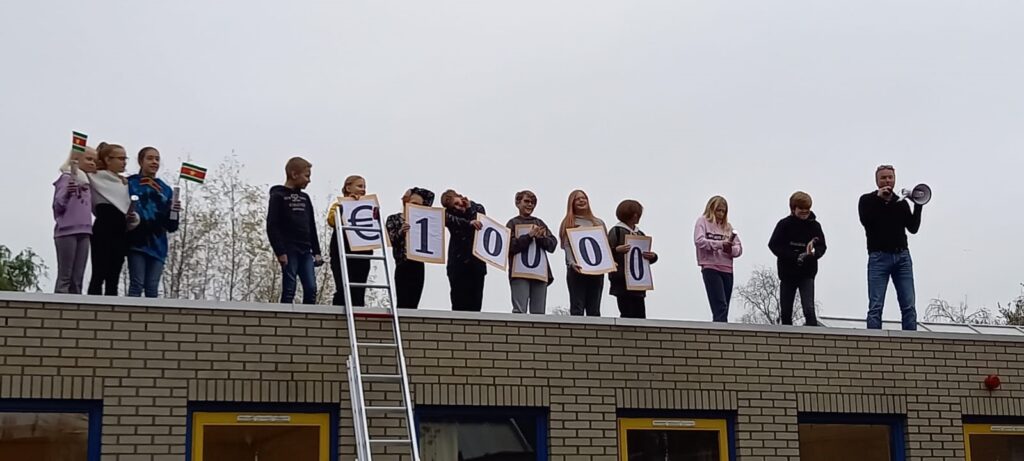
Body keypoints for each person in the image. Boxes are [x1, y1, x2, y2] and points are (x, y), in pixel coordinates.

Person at [858, 164, 923, 330]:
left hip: (902, 257)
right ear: (877, 180)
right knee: (876, 305)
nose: (887, 180)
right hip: (878, 257)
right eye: (883, 177)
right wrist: (878, 199)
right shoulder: (866, 200)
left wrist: (918, 205)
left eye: (890, 177)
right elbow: (866, 220)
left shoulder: (900, 203)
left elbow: (913, 228)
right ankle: (873, 344)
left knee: (909, 305)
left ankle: (912, 343)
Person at [267, 157, 323, 304]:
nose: (309, 180)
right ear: (294, 174)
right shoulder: (278, 196)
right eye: (307, 176)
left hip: (306, 250)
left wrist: (317, 252)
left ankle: (308, 319)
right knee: (289, 287)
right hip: (289, 249)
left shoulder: (305, 198)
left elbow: (311, 225)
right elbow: (272, 225)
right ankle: (285, 319)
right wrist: (280, 251)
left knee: (311, 288)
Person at [125, 147, 180, 298]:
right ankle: (130, 317)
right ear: (140, 161)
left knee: (152, 287)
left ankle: (151, 321)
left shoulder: (166, 189)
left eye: (157, 159)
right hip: (137, 242)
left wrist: (174, 212)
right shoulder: (129, 183)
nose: (154, 162)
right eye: (150, 158)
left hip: (158, 244)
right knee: (136, 284)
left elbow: (171, 226)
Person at [768, 191, 826, 326]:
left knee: (809, 309)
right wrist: (793, 256)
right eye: (801, 209)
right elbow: (773, 245)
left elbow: (822, 246)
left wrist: (814, 254)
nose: (805, 212)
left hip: (807, 273)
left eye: (807, 209)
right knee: (786, 311)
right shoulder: (784, 224)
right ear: (793, 209)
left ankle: (812, 337)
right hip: (788, 273)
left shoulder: (815, 226)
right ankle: (786, 340)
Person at [87, 143, 138, 296]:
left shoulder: (125, 183)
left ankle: (112, 312)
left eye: (125, 158)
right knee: (99, 272)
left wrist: (133, 217)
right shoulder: (94, 176)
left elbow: (128, 205)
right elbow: (73, 171)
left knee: (114, 274)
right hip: (104, 227)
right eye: (120, 158)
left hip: (121, 229)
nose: (124, 162)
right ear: (108, 160)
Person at [52, 147, 97, 294]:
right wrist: (67, 193)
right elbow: (57, 206)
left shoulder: (88, 183)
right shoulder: (66, 178)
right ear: (76, 160)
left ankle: (75, 308)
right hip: (67, 231)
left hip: (85, 230)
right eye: (89, 159)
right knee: (65, 275)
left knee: (78, 277)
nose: (92, 163)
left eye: (94, 161)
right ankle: (60, 306)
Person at [506, 190, 557, 314]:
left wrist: (541, 238)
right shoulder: (512, 223)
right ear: (518, 203)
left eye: (533, 202)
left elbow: (552, 245)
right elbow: (509, 246)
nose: (530, 205)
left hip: (539, 273)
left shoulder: (539, 223)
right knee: (519, 310)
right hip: (519, 273)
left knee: (539, 312)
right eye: (526, 201)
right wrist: (528, 237)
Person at [559, 190, 607, 317]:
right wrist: (571, 263)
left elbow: (604, 245)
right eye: (577, 199)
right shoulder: (568, 222)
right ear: (572, 203)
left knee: (594, 308)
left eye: (584, 198)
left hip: (596, 270)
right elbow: (567, 245)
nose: (581, 200)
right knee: (577, 306)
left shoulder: (598, 222)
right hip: (577, 269)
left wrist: (609, 262)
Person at [385, 187, 435, 309]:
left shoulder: (422, 219)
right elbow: (390, 240)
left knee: (414, 301)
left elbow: (431, 196)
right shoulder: (394, 218)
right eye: (413, 204)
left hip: (418, 263)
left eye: (419, 205)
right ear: (406, 203)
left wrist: (413, 190)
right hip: (403, 263)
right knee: (403, 301)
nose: (416, 207)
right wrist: (401, 231)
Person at [695, 195, 743, 322]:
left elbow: (739, 248)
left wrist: (730, 249)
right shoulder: (703, 221)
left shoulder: (728, 227)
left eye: (723, 211)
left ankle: (722, 328)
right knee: (719, 305)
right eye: (718, 210)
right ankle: (719, 332)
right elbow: (699, 241)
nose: (721, 214)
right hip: (710, 267)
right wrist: (720, 245)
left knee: (725, 305)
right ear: (711, 209)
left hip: (727, 269)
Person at [608, 200, 658, 319]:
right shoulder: (616, 231)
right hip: (621, 279)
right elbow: (606, 252)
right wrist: (616, 250)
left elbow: (642, 256)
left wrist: (653, 256)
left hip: (638, 281)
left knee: (640, 313)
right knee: (626, 312)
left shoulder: (640, 233)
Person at [326, 175, 371, 307]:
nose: (363, 190)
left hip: (362, 251)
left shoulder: (367, 207)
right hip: (342, 250)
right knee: (343, 287)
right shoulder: (338, 205)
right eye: (359, 186)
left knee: (359, 288)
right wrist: (346, 205)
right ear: (348, 187)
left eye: (364, 187)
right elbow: (331, 221)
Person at [441, 189, 486, 311]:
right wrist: (469, 223)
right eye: (454, 206)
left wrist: (469, 208)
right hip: (457, 264)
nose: (458, 207)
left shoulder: (476, 208)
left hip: (477, 264)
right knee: (458, 303)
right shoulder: (448, 215)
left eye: (457, 203)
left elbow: (482, 219)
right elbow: (449, 219)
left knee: (476, 303)